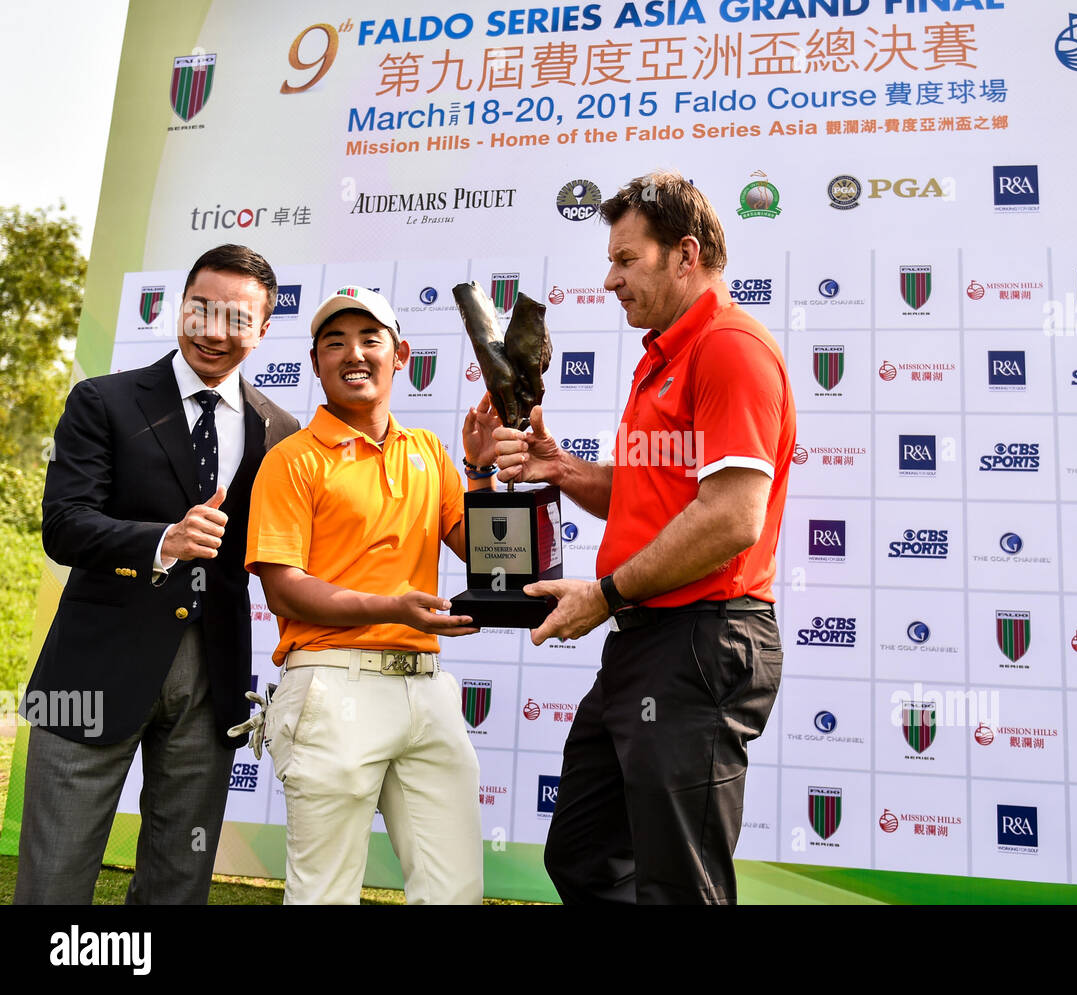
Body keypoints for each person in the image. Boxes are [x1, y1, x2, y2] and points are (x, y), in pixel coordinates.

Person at [493, 170, 796, 904]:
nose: (609, 279)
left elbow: (731, 517)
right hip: (647, 639)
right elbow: (648, 500)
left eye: (627, 260)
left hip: (700, 642)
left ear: (684, 254)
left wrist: (604, 593)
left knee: (677, 887)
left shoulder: (728, 347)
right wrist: (559, 467)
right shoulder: (662, 354)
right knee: (586, 854)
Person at [16, 244, 299, 904]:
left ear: (262, 330)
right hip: (89, 675)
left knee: (178, 880)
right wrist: (163, 540)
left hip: (212, 682)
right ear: (180, 307)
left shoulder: (280, 432)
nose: (211, 328)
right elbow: (63, 525)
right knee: (53, 882)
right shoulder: (102, 401)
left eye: (235, 317)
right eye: (200, 308)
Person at [246, 286, 498, 904]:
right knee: (324, 893)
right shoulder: (291, 460)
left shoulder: (430, 453)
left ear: (401, 354)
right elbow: (284, 589)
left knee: (454, 891)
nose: (353, 354)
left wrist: (480, 471)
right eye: (335, 342)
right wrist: (392, 607)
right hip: (333, 683)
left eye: (369, 339)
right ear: (315, 363)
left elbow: (490, 561)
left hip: (428, 687)